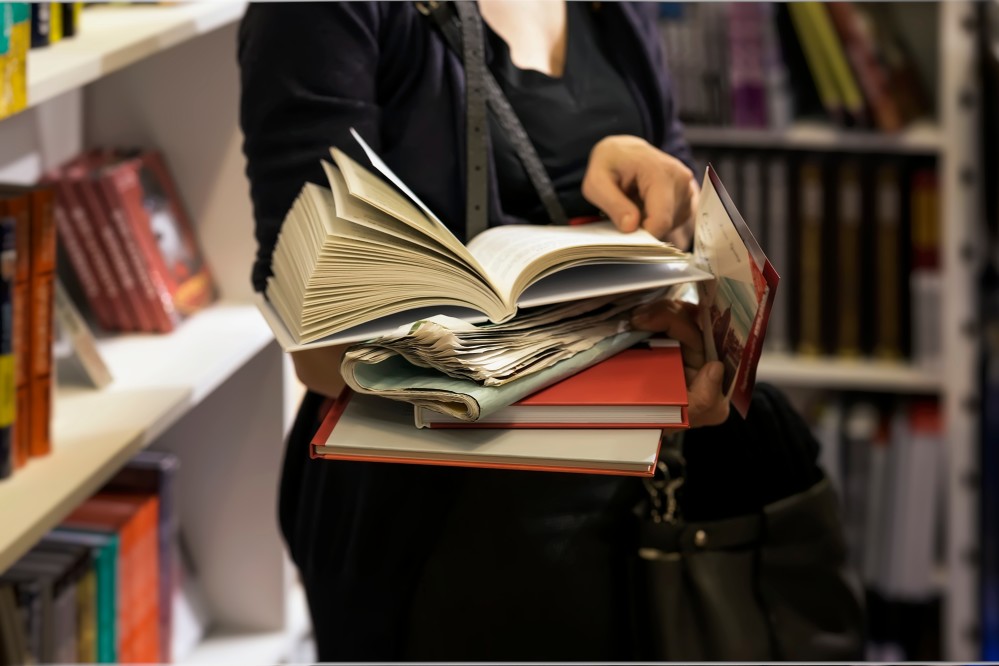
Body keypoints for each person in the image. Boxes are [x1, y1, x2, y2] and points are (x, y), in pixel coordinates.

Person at [238, 2, 828, 660]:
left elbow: (679, 243)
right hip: (433, 537)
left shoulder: (617, 13)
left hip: (636, 514)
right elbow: (326, 347)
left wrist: (686, 318)